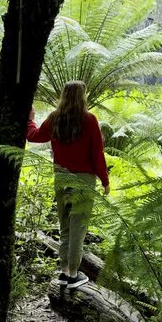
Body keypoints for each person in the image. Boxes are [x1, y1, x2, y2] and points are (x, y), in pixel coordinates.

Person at [26, 80, 109, 290]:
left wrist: (29, 119)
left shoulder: (55, 117)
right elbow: (97, 154)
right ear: (83, 96)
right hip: (83, 181)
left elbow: (34, 136)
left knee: (64, 228)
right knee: (77, 229)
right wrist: (105, 180)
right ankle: (73, 275)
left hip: (61, 179)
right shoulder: (89, 120)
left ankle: (64, 273)